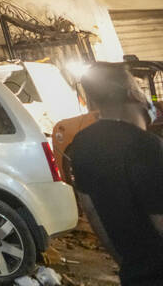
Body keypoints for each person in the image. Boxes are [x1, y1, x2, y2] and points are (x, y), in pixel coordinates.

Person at [69, 62, 163, 286]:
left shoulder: (82, 144)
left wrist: (126, 262)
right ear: (132, 93)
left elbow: (91, 212)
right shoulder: (146, 145)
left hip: (134, 273)